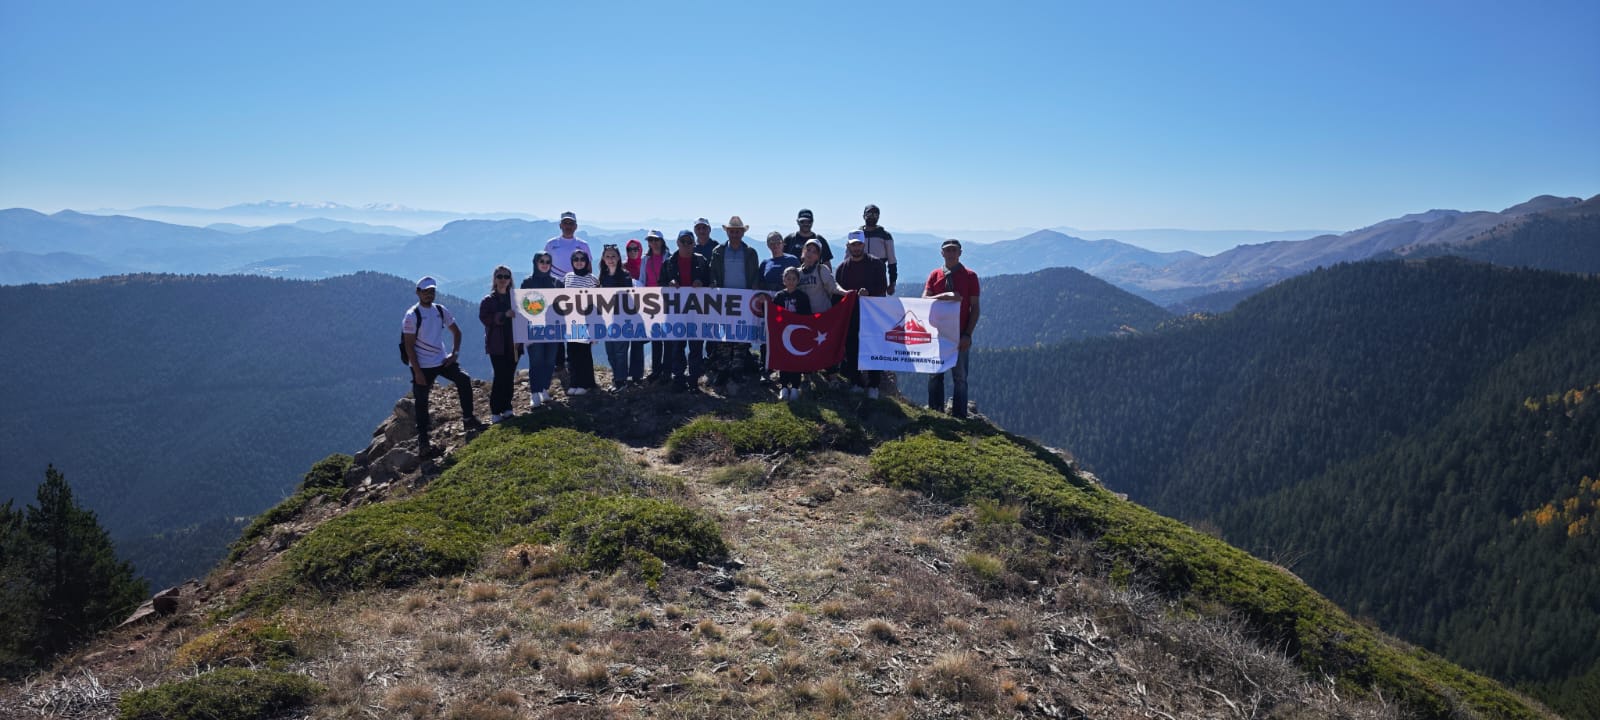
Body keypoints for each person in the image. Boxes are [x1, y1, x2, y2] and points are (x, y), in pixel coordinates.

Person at [402, 276, 478, 457]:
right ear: (418, 292)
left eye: (432, 291)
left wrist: (454, 354)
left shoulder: (440, 310)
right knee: (421, 402)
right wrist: (417, 371)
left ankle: (468, 418)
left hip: (441, 360)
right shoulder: (412, 315)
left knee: (464, 379)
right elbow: (408, 345)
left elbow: (457, 332)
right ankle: (423, 442)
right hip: (423, 365)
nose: (429, 294)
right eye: (425, 291)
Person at [923, 239, 981, 418]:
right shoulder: (935, 275)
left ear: (960, 253)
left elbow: (975, 308)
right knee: (934, 374)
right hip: (937, 335)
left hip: (960, 335)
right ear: (942, 253)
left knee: (960, 378)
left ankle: (960, 416)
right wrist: (946, 296)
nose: (950, 254)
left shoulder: (970, 276)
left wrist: (967, 335)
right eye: (947, 251)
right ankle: (936, 412)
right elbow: (924, 300)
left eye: (954, 250)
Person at [835, 232, 889, 398]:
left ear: (863, 245)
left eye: (858, 244)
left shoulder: (876, 264)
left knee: (873, 346)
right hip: (851, 314)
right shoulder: (843, 268)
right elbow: (838, 293)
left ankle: (874, 384)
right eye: (853, 245)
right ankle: (856, 381)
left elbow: (883, 287)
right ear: (848, 246)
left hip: (873, 315)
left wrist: (869, 293)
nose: (856, 247)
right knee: (852, 348)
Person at [708, 216, 761, 386]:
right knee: (723, 334)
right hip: (723, 300)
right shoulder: (718, 251)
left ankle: (737, 369)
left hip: (744, 301)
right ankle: (723, 369)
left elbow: (755, 275)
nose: (735, 234)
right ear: (727, 232)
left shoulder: (751, 252)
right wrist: (714, 285)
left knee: (741, 334)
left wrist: (754, 289)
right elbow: (713, 272)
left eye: (738, 231)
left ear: (743, 233)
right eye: (732, 231)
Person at [659, 230, 711, 391]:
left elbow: (711, 281)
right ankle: (679, 379)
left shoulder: (702, 261)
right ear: (677, 243)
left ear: (694, 244)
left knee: (696, 347)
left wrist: (701, 282)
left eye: (690, 242)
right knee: (678, 346)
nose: (687, 245)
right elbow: (660, 283)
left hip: (697, 312)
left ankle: (694, 380)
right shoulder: (669, 263)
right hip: (676, 313)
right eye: (684, 241)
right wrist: (669, 283)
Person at [478, 265, 523, 423]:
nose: (503, 280)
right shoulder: (488, 300)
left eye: (506, 276)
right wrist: (503, 315)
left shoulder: (517, 299)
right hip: (497, 345)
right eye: (500, 277)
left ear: (510, 279)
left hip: (515, 345)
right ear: (495, 279)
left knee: (509, 376)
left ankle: (507, 407)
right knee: (500, 376)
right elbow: (485, 318)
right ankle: (496, 410)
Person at [520, 253, 562, 408]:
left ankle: (544, 388)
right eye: (541, 261)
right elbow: (522, 307)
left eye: (548, 262)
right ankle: (534, 393)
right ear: (535, 263)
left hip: (553, 329)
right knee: (536, 360)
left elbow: (564, 306)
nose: (545, 264)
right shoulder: (527, 282)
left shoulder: (557, 283)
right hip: (534, 330)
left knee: (550, 361)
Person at [597, 244, 638, 390]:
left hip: (622, 320)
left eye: (613, 256)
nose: (610, 259)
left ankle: (621, 381)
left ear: (619, 258)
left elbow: (628, 298)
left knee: (621, 351)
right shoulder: (602, 276)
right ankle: (616, 378)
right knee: (610, 351)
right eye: (607, 256)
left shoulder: (625, 276)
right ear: (603, 258)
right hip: (607, 321)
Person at [769, 266, 812, 401]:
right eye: (788, 278)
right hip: (783, 334)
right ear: (784, 280)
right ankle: (783, 387)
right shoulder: (779, 296)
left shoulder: (803, 297)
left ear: (798, 281)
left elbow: (807, 317)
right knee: (784, 359)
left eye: (794, 279)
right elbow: (774, 315)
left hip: (797, 335)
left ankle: (794, 387)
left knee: (795, 360)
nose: (791, 281)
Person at [561, 249, 600, 395]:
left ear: (586, 262)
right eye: (575, 259)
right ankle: (574, 382)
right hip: (570, 321)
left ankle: (586, 383)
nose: (579, 262)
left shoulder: (592, 279)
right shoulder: (567, 277)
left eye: (582, 259)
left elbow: (597, 302)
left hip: (586, 321)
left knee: (584, 353)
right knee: (571, 353)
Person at [641, 230, 671, 383]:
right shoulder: (646, 259)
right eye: (651, 240)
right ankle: (656, 370)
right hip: (650, 302)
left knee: (667, 337)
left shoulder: (669, 257)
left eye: (656, 239)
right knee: (656, 337)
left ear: (662, 241)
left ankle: (666, 370)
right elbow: (642, 280)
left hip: (666, 301)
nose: (653, 242)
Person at [795, 239, 841, 313]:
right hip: (803, 317)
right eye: (808, 250)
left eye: (814, 252)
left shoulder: (821, 269)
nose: (810, 254)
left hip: (822, 317)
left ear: (818, 257)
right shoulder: (797, 273)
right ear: (803, 251)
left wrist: (846, 293)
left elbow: (834, 287)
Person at [860, 204, 898, 292]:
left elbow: (892, 261)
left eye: (875, 215)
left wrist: (892, 283)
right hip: (858, 275)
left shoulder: (885, 236)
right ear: (863, 216)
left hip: (878, 277)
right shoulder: (857, 234)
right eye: (869, 214)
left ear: (879, 217)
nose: (872, 217)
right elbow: (847, 258)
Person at [543, 211, 592, 277]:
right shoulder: (550, 244)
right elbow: (543, 264)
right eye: (565, 223)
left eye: (571, 223)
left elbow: (589, 268)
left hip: (575, 283)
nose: (568, 226)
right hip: (555, 284)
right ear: (560, 226)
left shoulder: (583, 245)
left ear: (576, 226)